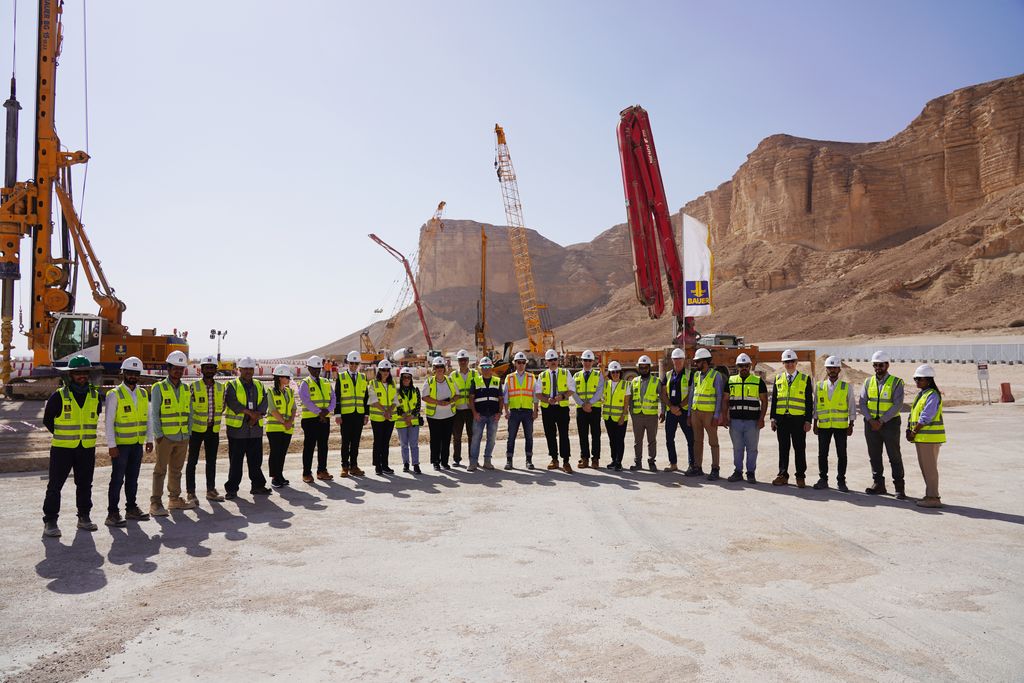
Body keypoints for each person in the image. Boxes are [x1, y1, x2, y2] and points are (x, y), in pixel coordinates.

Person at [41, 355, 102, 538]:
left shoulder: (95, 396)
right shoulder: (58, 396)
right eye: (78, 373)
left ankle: (84, 517)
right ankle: (50, 521)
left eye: (85, 373)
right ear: (70, 375)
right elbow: (48, 420)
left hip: (86, 448)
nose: (82, 376)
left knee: (84, 484)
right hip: (63, 449)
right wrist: (63, 435)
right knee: (55, 486)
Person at [104, 356, 153, 527]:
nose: (133, 375)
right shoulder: (115, 394)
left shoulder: (142, 393)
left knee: (133, 478)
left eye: (136, 373)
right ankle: (112, 513)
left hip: (137, 445)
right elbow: (108, 422)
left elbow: (148, 418)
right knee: (117, 479)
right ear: (123, 373)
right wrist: (112, 445)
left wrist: (149, 438)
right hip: (121, 446)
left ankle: (131, 508)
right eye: (130, 372)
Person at [148, 350, 194, 515]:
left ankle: (174, 499)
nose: (178, 371)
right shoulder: (158, 388)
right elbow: (154, 413)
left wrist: (187, 432)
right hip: (165, 437)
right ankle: (155, 503)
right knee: (160, 470)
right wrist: (158, 434)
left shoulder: (186, 389)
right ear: (168, 368)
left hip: (182, 437)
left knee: (176, 470)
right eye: (175, 368)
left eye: (181, 368)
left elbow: (190, 412)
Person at [859, 350, 907, 499]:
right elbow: (862, 402)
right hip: (871, 424)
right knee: (874, 455)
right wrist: (870, 420)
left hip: (890, 424)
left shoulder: (897, 382)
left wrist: (881, 421)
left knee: (894, 456)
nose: (878, 368)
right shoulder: (868, 382)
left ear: (887, 365)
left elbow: (897, 404)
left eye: (880, 365)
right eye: (875, 365)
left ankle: (899, 487)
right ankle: (878, 484)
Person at [223, 356, 271, 499]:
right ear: (239, 370)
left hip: (255, 430)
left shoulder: (259, 384)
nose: (248, 371)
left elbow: (264, 401)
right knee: (236, 462)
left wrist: (256, 416)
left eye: (251, 369)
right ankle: (232, 489)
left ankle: (258, 486)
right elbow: (232, 402)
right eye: (245, 369)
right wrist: (250, 414)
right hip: (238, 430)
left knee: (256, 460)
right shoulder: (232, 385)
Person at [770, 349, 813, 488]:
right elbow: (775, 400)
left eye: (792, 362)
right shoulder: (778, 379)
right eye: (786, 362)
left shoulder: (805, 379)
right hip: (782, 420)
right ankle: (783, 475)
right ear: (783, 363)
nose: (789, 364)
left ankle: (800, 476)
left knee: (799, 448)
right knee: (783, 448)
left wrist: (808, 420)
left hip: (798, 420)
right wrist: (772, 418)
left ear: (796, 363)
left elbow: (808, 402)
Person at [186, 355, 226, 505]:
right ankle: (191, 493)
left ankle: (211, 490)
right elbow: (189, 408)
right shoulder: (194, 387)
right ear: (201, 369)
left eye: (212, 367)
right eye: (206, 367)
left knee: (211, 461)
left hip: (213, 429)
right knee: (192, 462)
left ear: (216, 370)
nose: (209, 370)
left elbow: (223, 406)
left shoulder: (221, 388)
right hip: (196, 430)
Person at [812, 356, 855, 492]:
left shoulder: (846, 387)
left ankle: (841, 481)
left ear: (839, 369)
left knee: (841, 454)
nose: (832, 370)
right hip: (824, 426)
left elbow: (851, 406)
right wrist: (815, 422)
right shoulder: (819, 386)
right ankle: (823, 479)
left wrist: (851, 424)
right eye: (829, 368)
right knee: (822, 454)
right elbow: (816, 405)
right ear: (826, 369)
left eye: (834, 368)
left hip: (841, 427)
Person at [725, 353, 767, 483]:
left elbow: (764, 401)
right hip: (735, 421)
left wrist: (761, 418)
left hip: (752, 422)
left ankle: (751, 473)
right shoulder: (731, 381)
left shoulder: (758, 381)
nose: (744, 368)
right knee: (737, 448)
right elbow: (725, 400)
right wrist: (724, 417)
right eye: (741, 365)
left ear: (750, 366)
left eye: (746, 365)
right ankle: (738, 472)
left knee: (752, 449)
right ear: (737, 367)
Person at [907, 364, 945, 508]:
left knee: (930, 469)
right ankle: (930, 494)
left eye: (919, 379)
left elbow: (926, 417)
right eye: (915, 379)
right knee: (926, 468)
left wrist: (914, 431)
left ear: (928, 380)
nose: (917, 381)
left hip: (928, 438)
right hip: (923, 438)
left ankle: (933, 497)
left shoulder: (932, 395)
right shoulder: (923, 394)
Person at [688, 348, 725, 480]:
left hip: (709, 415)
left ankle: (715, 469)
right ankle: (697, 467)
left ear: (704, 362)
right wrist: (689, 414)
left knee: (713, 442)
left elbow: (719, 397)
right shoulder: (696, 375)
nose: (695, 364)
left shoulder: (716, 376)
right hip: (695, 413)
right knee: (697, 441)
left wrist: (716, 416)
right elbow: (692, 394)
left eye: (697, 361)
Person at [298, 355, 336, 483]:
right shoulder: (305, 383)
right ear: (308, 368)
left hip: (324, 419)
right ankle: (306, 473)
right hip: (310, 420)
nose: (316, 371)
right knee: (309, 447)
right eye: (314, 368)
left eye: (318, 368)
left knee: (323, 446)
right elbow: (306, 400)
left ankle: (322, 471)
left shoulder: (326, 382)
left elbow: (333, 398)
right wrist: (320, 413)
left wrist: (327, 411)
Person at [536, 348, 575, 473]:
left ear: (558, 361)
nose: (553, 362)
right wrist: (547, 400)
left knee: (564, 434)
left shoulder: (565, 373)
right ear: (546, 362)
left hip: (562, 408)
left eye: (555, 359)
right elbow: (538, 393)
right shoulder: (542, 376)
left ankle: (566, 461)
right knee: (550, 434)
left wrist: (562, 396)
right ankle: (554, 459)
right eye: (550, 360)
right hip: (548, 409)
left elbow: (572, 389)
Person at [335, 350, 368, 477]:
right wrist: (337, 414)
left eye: (356, 363)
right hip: (346, 415)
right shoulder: (341, 377)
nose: (354, 365)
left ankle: (354, 466)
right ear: (348, 363)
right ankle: (344, 466)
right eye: (351, 363)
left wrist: (366, 414)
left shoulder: (363, 377)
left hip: (359, 414)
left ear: (359, 364)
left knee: (355, 442)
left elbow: (365, 398)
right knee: (345, 442)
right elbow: (337, 396)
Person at [504, 351, 538, 470]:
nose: (521, 364)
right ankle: (509, 461)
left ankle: (529, 461)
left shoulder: (531, 377)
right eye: (519, 362)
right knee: (511, 437)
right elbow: (506, 396)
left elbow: (535, 395)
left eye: (523, 362)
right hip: (514, 411)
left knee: (529, 437)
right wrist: (506, 411)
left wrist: (535, 410)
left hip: (527, 412)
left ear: (526, 364)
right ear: (515, 363)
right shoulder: (509, 377)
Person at [662, 347, 694, 473]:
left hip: (684, 412)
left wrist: (679, 407)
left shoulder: (689, 374)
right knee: (669, 438)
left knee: (690, 439)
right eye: (675, 359)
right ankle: (673, 463)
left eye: (680, 359)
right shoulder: (668, 375)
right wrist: (671, 407)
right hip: (671, 412)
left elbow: (691, 393)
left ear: (684, 360)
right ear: (672, 360)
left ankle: (692, 464)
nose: (678, 361)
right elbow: (663, 393)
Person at [629, 355, 663, 471]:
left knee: (652, 441)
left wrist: (663, 411)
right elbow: (631, 399)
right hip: (637, 416)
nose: (644, 369)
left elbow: (663, 397)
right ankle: (637, 462)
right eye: (641, 367)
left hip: (651, 416)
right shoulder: (634, 381)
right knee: (637, 441)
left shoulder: (656, 381)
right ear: (638, 368)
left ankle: (651, 462)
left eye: (646, 367)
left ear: (649, 368)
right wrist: (632, 413)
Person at [469, 356, 504, 471]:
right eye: (483, 367)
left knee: (491, 439)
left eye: (488, 366)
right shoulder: (475, 381)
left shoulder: (497, 381)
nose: (486, 369)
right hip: (479, 415)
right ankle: (473, 463)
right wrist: (474, 413)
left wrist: (499, 413)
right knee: (476, 439)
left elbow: (501, 399)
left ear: (491, 368)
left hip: (493, 415)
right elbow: (471, 399)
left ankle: (487, 461)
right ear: (480, 368)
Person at [423, 356, 457, 470]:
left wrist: (449, 401)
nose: (439, 369)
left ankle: (444, 462)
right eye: (437, 367)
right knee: (436, 439)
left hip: (448, 415)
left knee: (446, 439)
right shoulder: (429, 381)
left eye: (441, 366)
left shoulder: (450, 380)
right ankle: (435, 462)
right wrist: (438, 402)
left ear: (445, 368)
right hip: (434, 416)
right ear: (434, 368)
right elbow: (424, 397)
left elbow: (457, 395)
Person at [266, 364, 297, 488]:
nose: (289, 380)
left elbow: (294, 408)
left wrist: (290, 421)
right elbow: (273, 410)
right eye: (287, 377)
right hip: (275, 428)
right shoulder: (270, 392)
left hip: (287, 428)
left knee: (282, 453)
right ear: (280, 377)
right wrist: (285, 422)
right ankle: (275, 477)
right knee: (275, 453)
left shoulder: (289, 391)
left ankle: (280, 475)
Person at [573, 349, 604, 469]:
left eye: (589, 360)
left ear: (593, 362)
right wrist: (582, 404)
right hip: (581, 409)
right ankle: (584, 458)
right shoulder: (576, 376)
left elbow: (599, 391)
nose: (587, 362)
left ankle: (595, 459)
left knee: (596, 434)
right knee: (583, 434)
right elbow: (574, 392)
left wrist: (590, 403)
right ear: (581, 361)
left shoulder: (598, 375)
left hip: (594, 409)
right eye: (585, 360)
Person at [449, 349, 479, 467]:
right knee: (457, 436)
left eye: (464, 360)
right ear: (458, 361)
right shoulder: (453, 375)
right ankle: (457, 458)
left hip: (471, 410)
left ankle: (473, 458)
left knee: (472, 435)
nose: (463, 362)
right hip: (457, 410)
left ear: (468, 361)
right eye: (460, 360)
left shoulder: (475, 374)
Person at [368, 359, 398, 475]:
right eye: (383, 370)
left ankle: (385, 465)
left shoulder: (392, 383)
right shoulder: (373, 384)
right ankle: (378, 465)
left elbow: (395, 400)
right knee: (378, 441)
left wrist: (389, 411)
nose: (385, 372)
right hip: (377, 418)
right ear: (379, 371)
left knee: (386, 442)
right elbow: (373, 401)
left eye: (387, 370)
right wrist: (385, 411)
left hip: (390, 417)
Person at [601, 361, 631, 471]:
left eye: (617, 372)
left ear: (620, 373)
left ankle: (619, 462)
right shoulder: (606, 384)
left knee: (619, 440)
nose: (615, 374)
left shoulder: (625, 385)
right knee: (612, 440)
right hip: (608, 417)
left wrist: (623, 416)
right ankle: (613, 460)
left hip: (620, 418)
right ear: (610, 373)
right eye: (613, 372)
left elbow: (626, 403)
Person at [394, 366, 423, 474]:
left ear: (411, 379)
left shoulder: (416, 391)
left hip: (414, 422)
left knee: (414, 445)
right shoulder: (396, 391)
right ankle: (406, 464)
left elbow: (418, 406)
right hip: (401, 422)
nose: (406, 379)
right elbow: (397, 407)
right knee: (404, 445)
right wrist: (406, 417)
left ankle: (416, 464)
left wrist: (411, 417)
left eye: (408, 377)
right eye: (404, 377)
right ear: (401, 378)